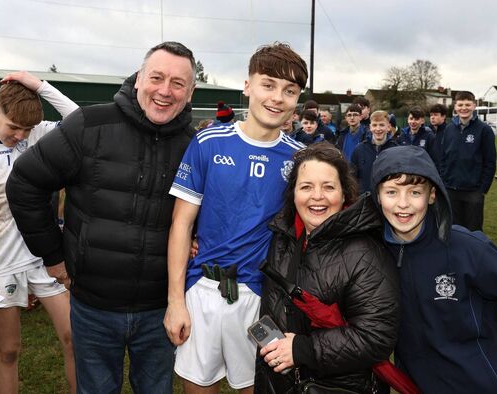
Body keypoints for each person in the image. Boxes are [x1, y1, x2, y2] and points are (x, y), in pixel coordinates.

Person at [6, 41, 197, 394]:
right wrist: (53, 256)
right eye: (157, 77)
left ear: (190, 93)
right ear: (139, 78)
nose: (165, 91)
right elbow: (25, 182)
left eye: (177, 83)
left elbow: (201, 212)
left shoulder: (196, 145)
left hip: (160, 310)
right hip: (93, 305)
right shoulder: (88, 125)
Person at [164, 42, 308, 394]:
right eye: (268, 85)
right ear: (248, 86)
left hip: (263, 300)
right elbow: (181, 224)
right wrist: (175, 301)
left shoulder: (301, 158)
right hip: (203, 291)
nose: (278, 98)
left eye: (290, 91)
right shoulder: (208, 143)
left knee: (258, 389)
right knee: (199, 388)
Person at [371, 145, 497, 394]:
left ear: (432, 195)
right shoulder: (373, 253)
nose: (403, 204)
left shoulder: (467, 248)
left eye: (415, 192)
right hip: (416, 385)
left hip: (477, 383)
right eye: (391, 192)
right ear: (377, 195)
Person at [0, 71, 77, 393]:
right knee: (9, 350)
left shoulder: (36, 134)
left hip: (45, 258)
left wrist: (38, 85)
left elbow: (78, 119)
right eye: (14, 127)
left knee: (73, 337)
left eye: (26, 129)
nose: (20, 135)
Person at [256, 143, 399, 393]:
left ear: (345, 194)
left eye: (329, 187)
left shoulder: (365, 253)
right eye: (306, 187)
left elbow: (376, 337)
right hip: (280, 381)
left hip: (338, 386)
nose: (317, 196)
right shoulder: (283, 237)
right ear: (293, 193)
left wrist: (302, 350)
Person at [441, 91, 496, 231]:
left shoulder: (484, 130)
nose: (463, 108)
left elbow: (490, 162)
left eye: (467, 104)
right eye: (460, 104)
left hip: (473, 191)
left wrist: (482, 189)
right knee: (454, 230)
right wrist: (445, 181)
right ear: (455, 106)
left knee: (473, 230)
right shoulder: (449, 129)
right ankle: (456, 254)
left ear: (474, 106)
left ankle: (474, 253)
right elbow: (443, 158)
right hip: (451, 188)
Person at [351, 110, 398, 194]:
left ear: (388, 127)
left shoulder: (396, 150)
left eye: (382, 125)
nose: (378, 129)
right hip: (364, 199)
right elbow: (352, 176)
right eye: (374, 125)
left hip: (387, 199)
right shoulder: (359, 149)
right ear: (370, 127)